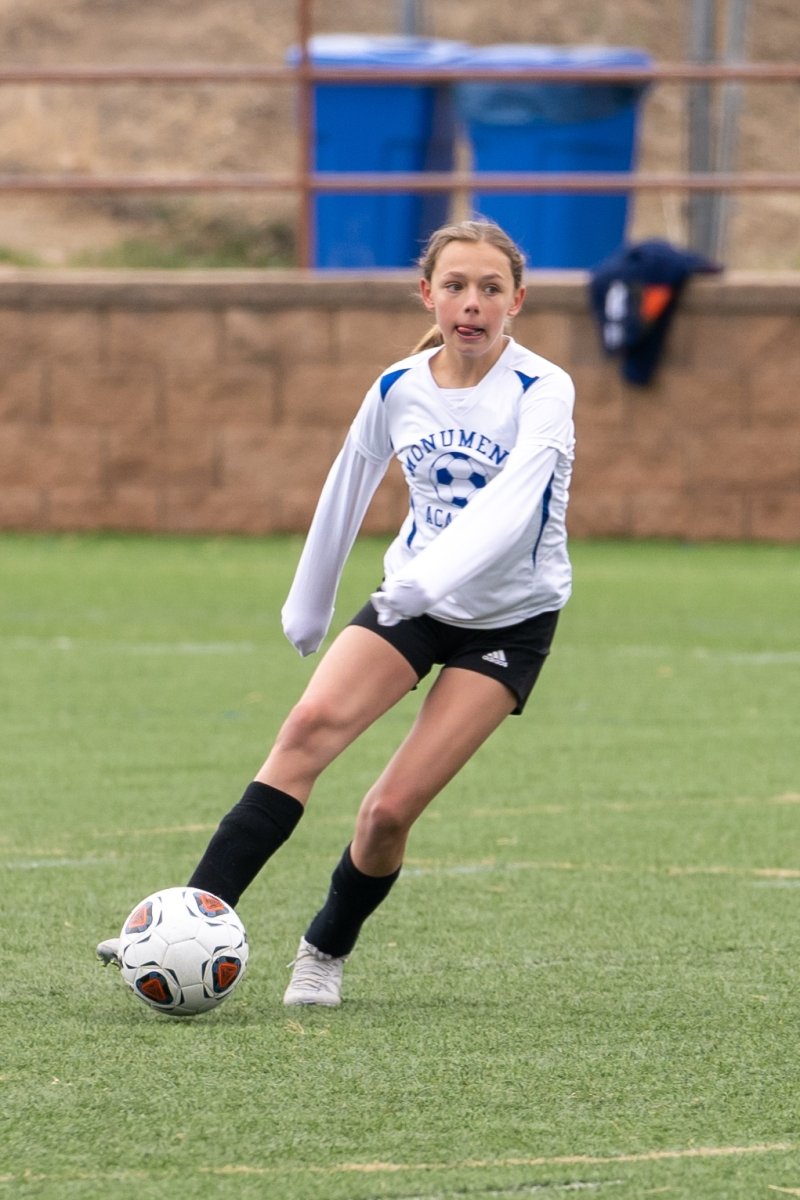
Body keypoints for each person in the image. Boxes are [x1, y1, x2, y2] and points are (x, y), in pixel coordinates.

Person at [97, 217, 576, 1007]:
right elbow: (348, 482)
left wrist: (434, 577)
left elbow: (516, 502)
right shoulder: (399, 387)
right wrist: (310, 599)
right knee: (305, 730)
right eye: (455, 285)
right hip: (411, 600)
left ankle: (324, 949)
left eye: (491, 288)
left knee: (386, 813)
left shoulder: (544, 389)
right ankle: (183, 922)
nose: (472, 302)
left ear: (516, 301)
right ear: (427, 294)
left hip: (508, 625)